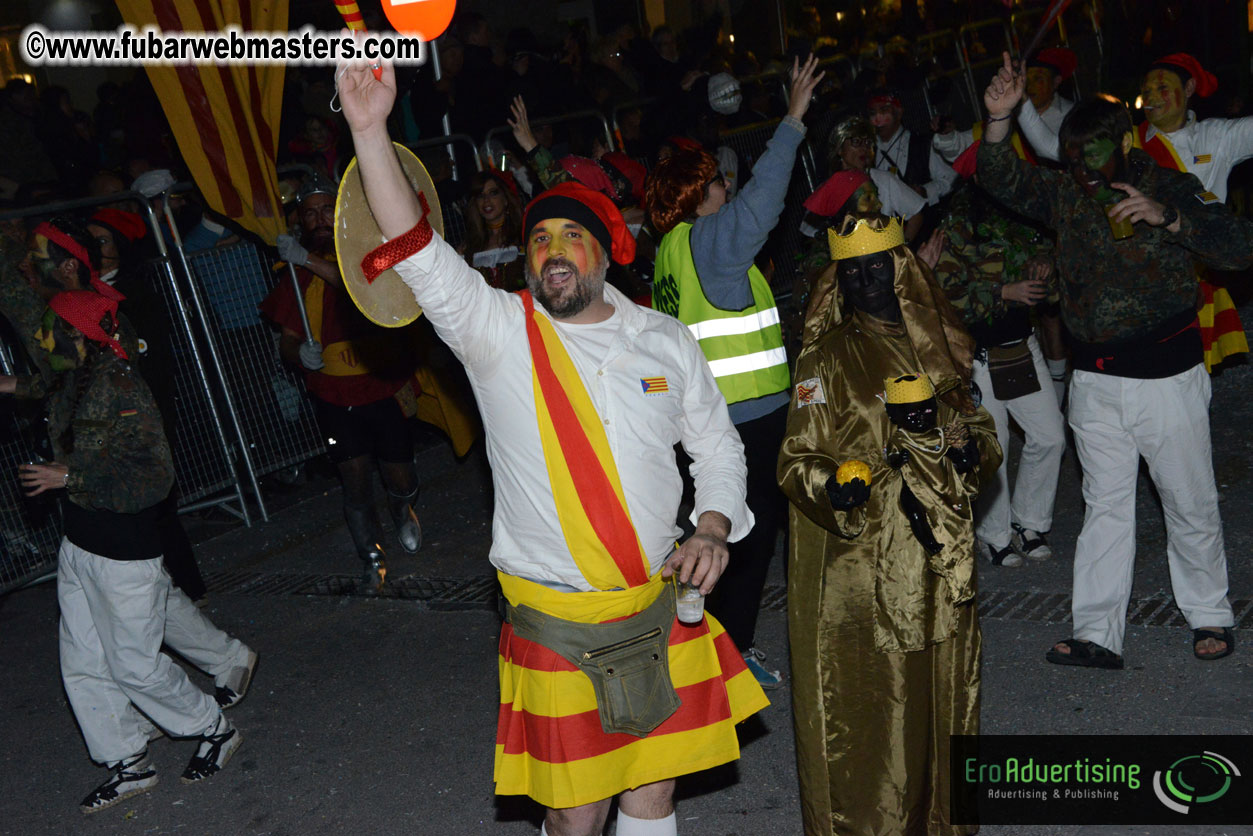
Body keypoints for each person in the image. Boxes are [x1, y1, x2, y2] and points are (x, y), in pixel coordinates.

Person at [337, 48, 768, 836]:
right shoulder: (497, 330)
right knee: (576, 816)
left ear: (606, 253)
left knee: (654, 794)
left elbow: (716, 448)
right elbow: (417, 250)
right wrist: (369, 130)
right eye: (539, 242)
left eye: (572, 237)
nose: (552, 253)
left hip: (657, 603)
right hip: (556, 619)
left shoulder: (665, 340)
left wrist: (712, 525)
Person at [978, 52, 1253, 666]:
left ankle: (1209, 613)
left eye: (1096, 152)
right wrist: (999, 120)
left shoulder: (1167, 184)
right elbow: (999, 178)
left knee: (1188, 499)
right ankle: (1097, 633)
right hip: (1095, 382)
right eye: (1074, 156)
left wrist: (1172, 218)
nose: (1084, 167)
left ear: (1126, 142)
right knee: (1104, 508)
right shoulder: (1066, 194)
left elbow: (1237, 247)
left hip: (1166, 376)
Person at [778, 213, 1000, 836]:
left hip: (939, 558)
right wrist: (836, 485)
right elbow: (795, 461)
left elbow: (979, 433)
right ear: (839, 281)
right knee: (876, 711)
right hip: (863, 566)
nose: (868, 280)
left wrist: (967, 450)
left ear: (901, 269)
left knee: (941, 696)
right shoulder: (824, 359)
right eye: (854, 271)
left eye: (879, 265)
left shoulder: (937, 343)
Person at [0, 290, 254, 813]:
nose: (42, 339)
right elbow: (38, 386)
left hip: (125, 552)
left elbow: (155, 479)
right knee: (84, 663)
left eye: (52, 330)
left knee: (135, 666)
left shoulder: (121, 385)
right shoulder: (72, 378)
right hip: (80, 545)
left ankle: (215, 730)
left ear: (80, 335)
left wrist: (68, 475)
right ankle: (128, 761)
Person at [644, 55, 825, 691]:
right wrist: (794, 121)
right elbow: (765, 200)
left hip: (708, 417)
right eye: (720, 183)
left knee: (714, 540)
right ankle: (726, 656)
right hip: (746, 421)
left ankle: (703, 649)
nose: (729, 187)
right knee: (744, 549)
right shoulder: (711, 239)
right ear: (700, 194)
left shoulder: (667, 251)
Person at [261, 176, 424, 591]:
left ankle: (404, 509)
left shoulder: (367, 250)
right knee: (354, 478)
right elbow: (287, 342)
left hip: (382, 383)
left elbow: (357, 286)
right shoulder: (295, 274)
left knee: (399, 476)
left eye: (325, 209)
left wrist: (309, 260)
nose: (318, 219)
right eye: (309, 212)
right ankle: (371, 556)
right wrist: (300, 355)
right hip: (334, 393)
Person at [932, 149, 1066, 567]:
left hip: (1022, 348)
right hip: (978, 357)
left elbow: (1057, 275)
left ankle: (1030, 521)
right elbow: (942, 296)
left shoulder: (1025, 216)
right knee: (995, 446)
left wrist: (1048, 267)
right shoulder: (955, 226)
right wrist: (1002, 292)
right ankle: (995, 534)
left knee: (1050, 436)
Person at [87, 207, 209, 604]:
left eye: (102, 241)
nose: (96, 249)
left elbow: (145, 359)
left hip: (146, 411)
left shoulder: (135, 292)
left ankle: (189, 590)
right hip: (115, 414)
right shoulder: (87, 294)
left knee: (156, 505)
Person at [1135, 53, 1253, 371]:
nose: (1152, 97)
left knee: (1196, 373)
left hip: (1201, 269)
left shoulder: (1216, 136)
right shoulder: (1128, 143)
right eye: (1146, 89)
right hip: (1148, 280)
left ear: (1188, 88)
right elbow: (1057, 147)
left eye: (1163, 87)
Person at [804, 116, 925, 242]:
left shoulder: (883, 179)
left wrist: (902, 249)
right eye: (856, 142)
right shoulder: (830, 186)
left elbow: (916, 214)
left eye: (868, 143)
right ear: (840, 149)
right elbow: (810, 235)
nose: (864, 149)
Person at [868, 88, 957, 206]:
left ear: (899, 113)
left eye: (884, 110)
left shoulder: (923, 144)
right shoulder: (868, 151)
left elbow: (949, 179)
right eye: (872, 113)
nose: (877, 119)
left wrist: (925, 191)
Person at [998, 47, 1078, 163]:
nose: (1029, 86)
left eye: (1038, 78)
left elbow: (1054, 150)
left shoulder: (1074, 116)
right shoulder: (1006, 117)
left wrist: (1023, 100)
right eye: (1025, 80)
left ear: (1056, 82)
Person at [460, 170, 525, 290]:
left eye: (493, 193)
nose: (486, 201)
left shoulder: (524, 237)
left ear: (505, 199)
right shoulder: (468, 247)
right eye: (481, 195)